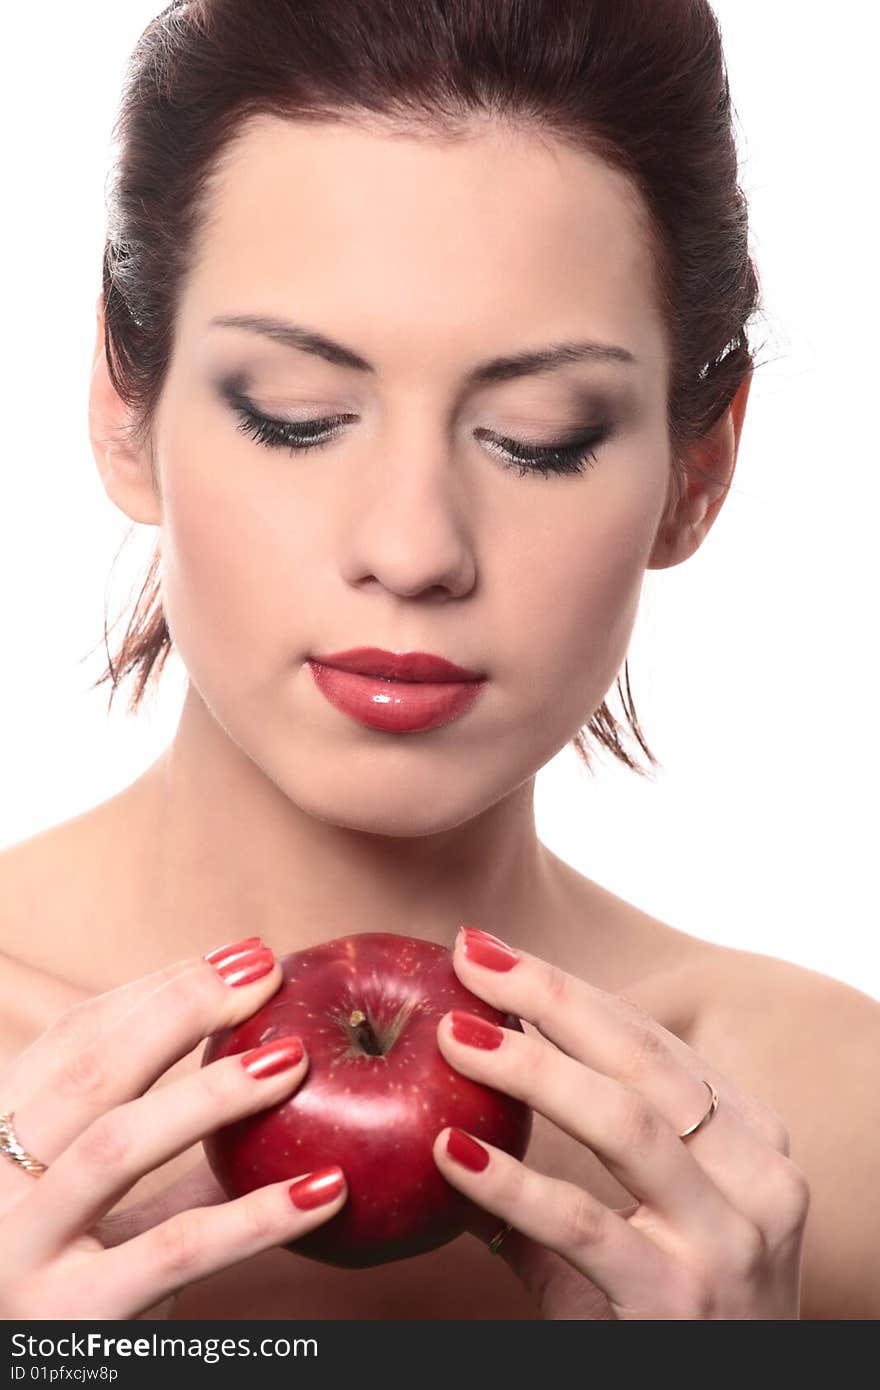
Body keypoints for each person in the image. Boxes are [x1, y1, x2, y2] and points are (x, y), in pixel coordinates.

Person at [0, 0, 877, 1321]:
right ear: (127, 407)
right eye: (298, 417)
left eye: (538, 434)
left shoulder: (828, 1132)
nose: (413, 549)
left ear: (700, 471)